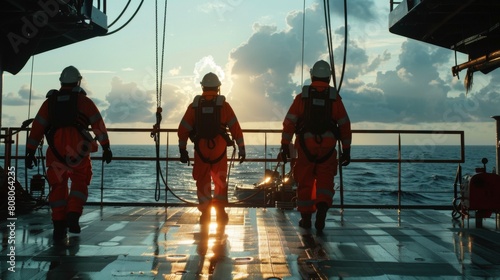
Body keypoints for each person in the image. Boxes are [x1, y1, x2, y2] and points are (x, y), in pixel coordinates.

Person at [25, 65, 113, 241]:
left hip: (56, 153)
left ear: (61, 82)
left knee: (58, 186)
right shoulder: (84, 102)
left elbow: (37, 129)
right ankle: (73, 215)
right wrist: (105, 147)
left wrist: (30, 152)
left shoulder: (49, 103)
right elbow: (98, 125)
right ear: (78, 81)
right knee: (80, 182)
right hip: (79, 152)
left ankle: (59, 225)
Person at [280, 60, 351, 232]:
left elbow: (289, 122)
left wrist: (284, 144)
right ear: (329, 76)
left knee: (305, 181)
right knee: (325, 181)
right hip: (327, 147)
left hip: (305, 146)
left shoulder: (302, 98)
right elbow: (344, 125)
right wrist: (346, 149)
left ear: (312, 75)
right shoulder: (335, 99)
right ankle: (322, 209)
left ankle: (305, 219)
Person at [178, 72, 245, 226]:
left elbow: (183, 129)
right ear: (218, 87)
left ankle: (205, 212)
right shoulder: (224, 106)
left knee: (202, 180)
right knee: (219, 180)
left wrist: (182, 149)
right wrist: (241, 148)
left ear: (203, 86)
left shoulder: (194, 106)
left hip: (201, 151)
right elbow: (235, 128)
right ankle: (220, 211)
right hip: (219, 151)